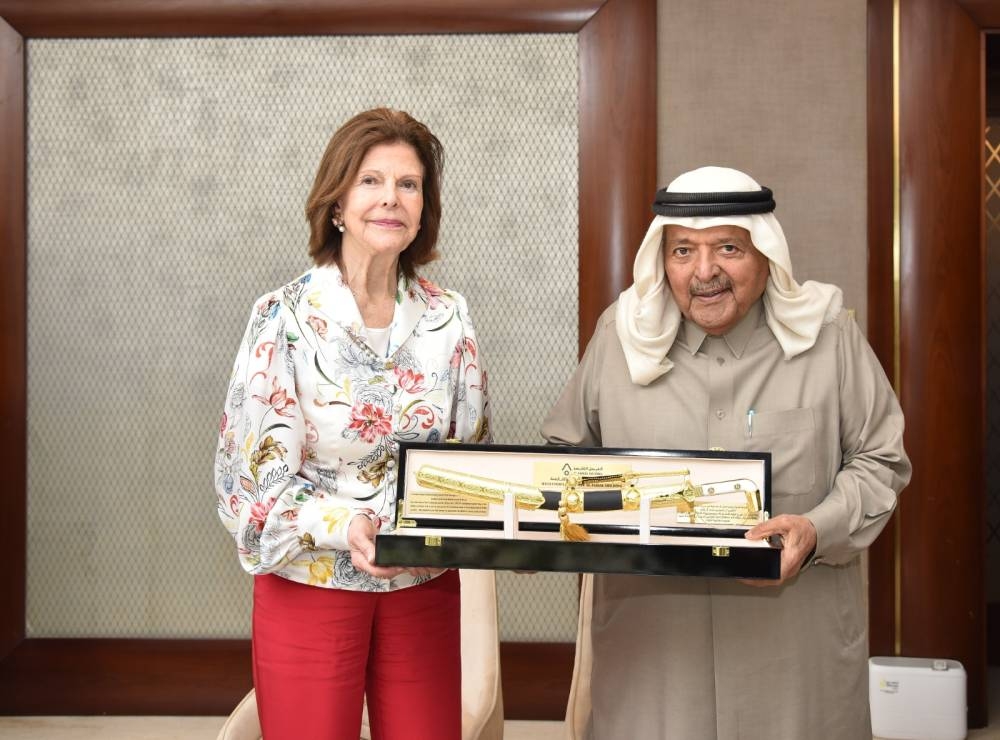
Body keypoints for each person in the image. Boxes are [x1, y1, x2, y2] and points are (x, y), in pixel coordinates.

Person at [542, 165, 910, 740]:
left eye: (728, 248)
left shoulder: (828, 338)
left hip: (793, 655)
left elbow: (881, 461)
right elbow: (561, 460)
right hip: (655, 655)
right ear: (662, 260)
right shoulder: (620, 337)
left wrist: (816, 529)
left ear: (766, 255)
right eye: (683, 251)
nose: (704, 271)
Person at [214, 108, 491, 740]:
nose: (391, 198)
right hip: (310, 581)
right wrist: (346, 526)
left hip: (422, 583)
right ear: (337, 202)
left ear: (423, 209)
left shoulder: (450, 318)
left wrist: (525, 529)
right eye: (371, 181)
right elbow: (248, 487)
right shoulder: (282, 318)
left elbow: (472, 459)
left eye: (408, 184)